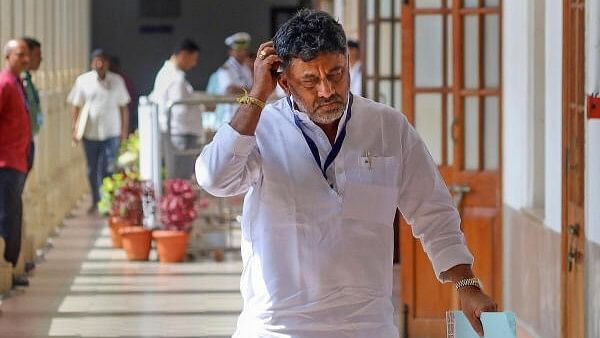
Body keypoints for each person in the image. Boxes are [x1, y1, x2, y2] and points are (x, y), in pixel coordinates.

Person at [196, 10, 496, 337]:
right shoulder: (261, 130)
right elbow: (214, 178)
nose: (327, 90)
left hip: (368, 326)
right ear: (284, 82)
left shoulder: (387, 127)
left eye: (336, 74)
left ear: (348, 63)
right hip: (279, 328)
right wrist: (256, 96)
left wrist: (467, 284)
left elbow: (433, 211)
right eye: (310, 80)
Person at [68, 49, 130, 214]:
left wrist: (124, 130)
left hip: (111, 132)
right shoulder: (83, 81)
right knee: (92, 168)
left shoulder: (117, 81)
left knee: (109, 167)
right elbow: (75, 104)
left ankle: (108, 201)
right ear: (91, 63)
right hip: (90, 133)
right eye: (96, 61)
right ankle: (96, 199)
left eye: (102, 61)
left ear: (107, 63)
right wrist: (74, 127)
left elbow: (124, 107)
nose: (100, 64)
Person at [0, 39, 32, 287]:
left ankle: (9, 267)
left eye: (27, 54)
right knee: (6, 217)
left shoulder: (17, 83)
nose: (26, 59)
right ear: (8, 56)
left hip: (17, 160)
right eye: (20, 54)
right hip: (5, 162)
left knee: (13, 216)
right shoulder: (4, 84)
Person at [149, 38, 202, 179]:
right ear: (184, 54)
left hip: (176, 133)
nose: (194, 64)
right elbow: (180, 110)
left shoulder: (167, 74)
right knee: (180, 180)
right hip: (181, 134)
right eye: (193, 59)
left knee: (177, 178)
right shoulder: (175, 77)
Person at [208, 32, 253, 126]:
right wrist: (253, 92)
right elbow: (231, 90)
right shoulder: (225, 70)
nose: (242, 52)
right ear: (231, 51)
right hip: (229, 116)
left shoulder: (246, 68)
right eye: (239, 50)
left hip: (245, 114)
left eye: (244, 49)